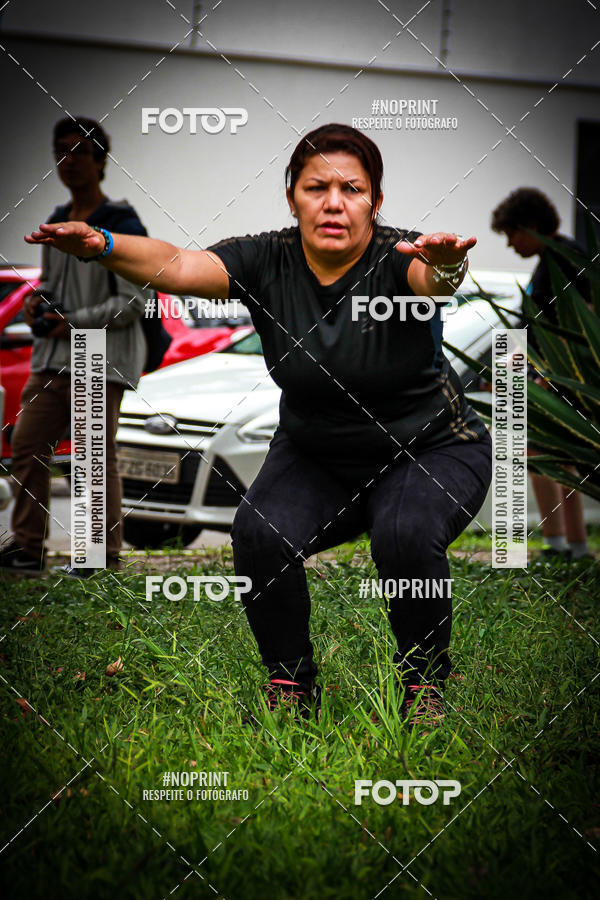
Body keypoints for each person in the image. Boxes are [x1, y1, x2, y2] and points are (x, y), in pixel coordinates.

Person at [23, 123, 492, 728]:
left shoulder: (401, 258)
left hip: (428, 448)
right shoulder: (268, 258)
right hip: (316, 450)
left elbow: (433, 282)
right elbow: (181, 265)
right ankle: (290, 684)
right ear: (292, 194)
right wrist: (100, 244)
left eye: (352, 188)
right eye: (316, 186)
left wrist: (447, 266)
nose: (333, 201)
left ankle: (425, 686)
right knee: (260, 534)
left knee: (404, 534)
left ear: (375, 202)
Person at [0, 117, 149, 578]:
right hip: (53, 358)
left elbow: (134, 301)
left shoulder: (120, 224)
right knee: (26, 446)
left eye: (80, 151)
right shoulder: (58, 221)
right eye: (62, 151)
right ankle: (27, 548)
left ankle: (97, 557)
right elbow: (51, 285)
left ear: (100, 162)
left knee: (89, 455)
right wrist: (34, 304)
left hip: (97, 355)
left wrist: (74, 323)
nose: (69, 161)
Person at [491, 187, 591, 562]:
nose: (511, 244)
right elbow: (533, 325)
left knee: (546, 456)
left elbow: (582, 318)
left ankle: (562, 547)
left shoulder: (566, 257)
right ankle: (569, 547)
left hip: (561, 381)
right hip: (544, 377)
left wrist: (551, 374)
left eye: (512, 234)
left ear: (531, 226)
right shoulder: (550, 257)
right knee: (556, 458)